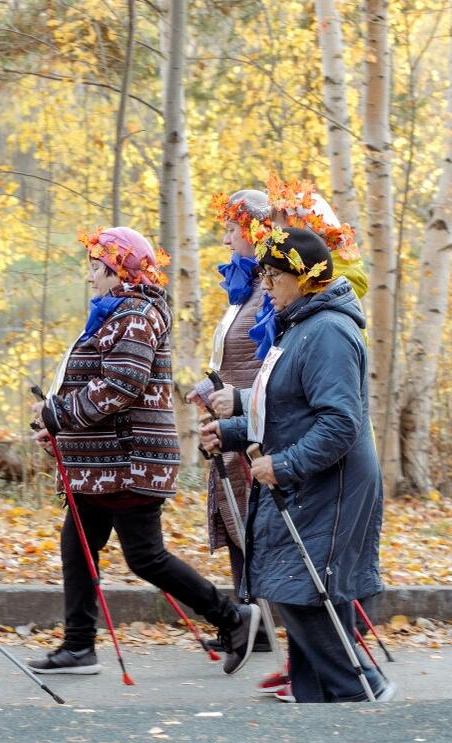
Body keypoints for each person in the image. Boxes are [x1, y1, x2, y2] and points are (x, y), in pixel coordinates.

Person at [27, 226, 260, 677]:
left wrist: (58, 413)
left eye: (96, 268)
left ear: (120, 272)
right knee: (78, 544)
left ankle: (234, 618)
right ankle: (78, 646)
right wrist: (58, 425)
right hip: (101, 464)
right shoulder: (117, 311)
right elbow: (95, 383)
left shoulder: (136, 313)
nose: (90, 277)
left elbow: (121, 385)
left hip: (129, 461)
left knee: (145, 556)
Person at [199, 226, 391, 702]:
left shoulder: (327, 332)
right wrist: (230, 431)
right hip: (309, 481)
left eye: (274, 276)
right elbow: (283, 406)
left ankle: (360, 690)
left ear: (305, 278)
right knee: (305, 590)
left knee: (301, 588)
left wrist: (283, 464)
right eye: (263, 275)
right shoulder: (299, 325)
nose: (264, 285)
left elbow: (340, 423)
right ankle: (316, 701)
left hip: (332, 483)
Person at [184, 189, 272, 653]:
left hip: (253, 424)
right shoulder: (244, 288)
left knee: (254, 521)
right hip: (229, 416)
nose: (225, 239)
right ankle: (247, 616)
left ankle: (262, 618)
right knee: (235, 516)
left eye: (232, 230)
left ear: (255, 231)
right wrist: (207, 386)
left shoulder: (271, 290)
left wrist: (236, 402)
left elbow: (267, 363)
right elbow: (232, 356)